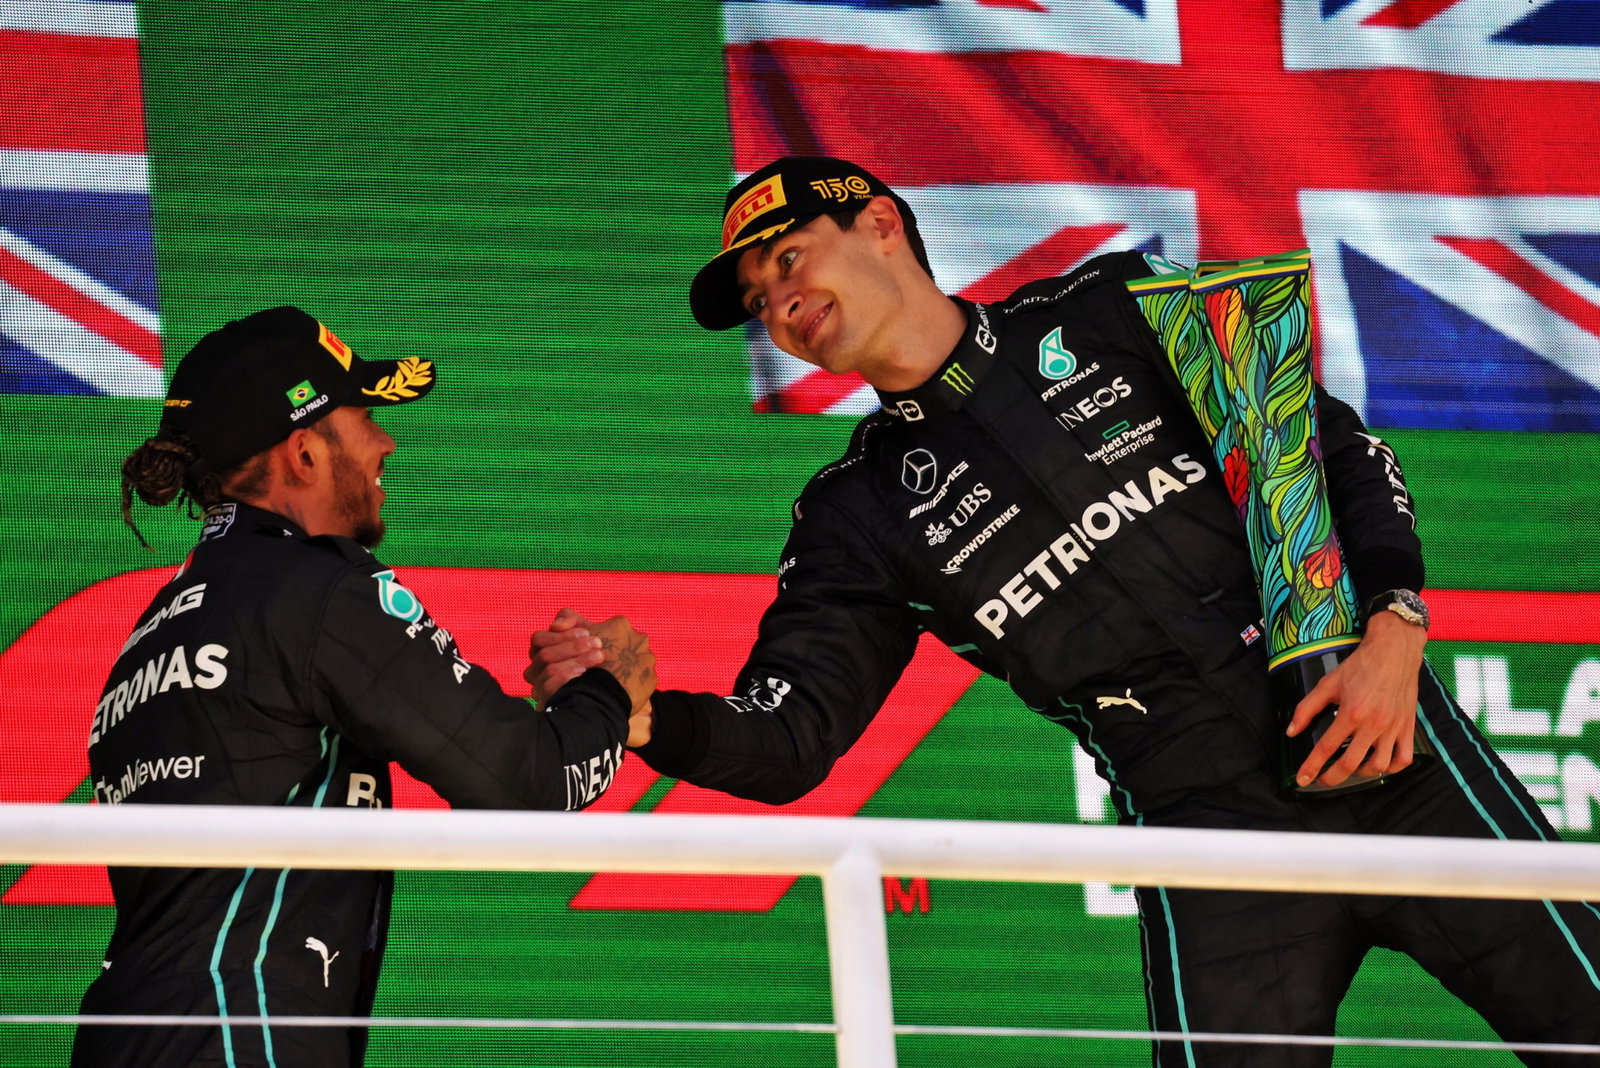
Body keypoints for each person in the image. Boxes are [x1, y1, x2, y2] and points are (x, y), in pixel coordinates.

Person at [531, 157, 1600, 1065]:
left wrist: (1394, 626)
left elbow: (1330, 453)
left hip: (1388, 751)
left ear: (879, 224)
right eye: (759, 298)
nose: (777, 302)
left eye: (786, 258)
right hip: (1205, 840)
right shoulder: (854, 514)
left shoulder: (1109, 309)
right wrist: (642, 718)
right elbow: (791, 740)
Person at [74, 306, 655, 1068]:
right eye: (364, 418)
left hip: (124, 1035)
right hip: (239, 1030)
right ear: (305, 454)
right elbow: (529, 784)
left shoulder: (151, 631)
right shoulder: (314, 589)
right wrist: (607, 692)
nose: (386, 441)